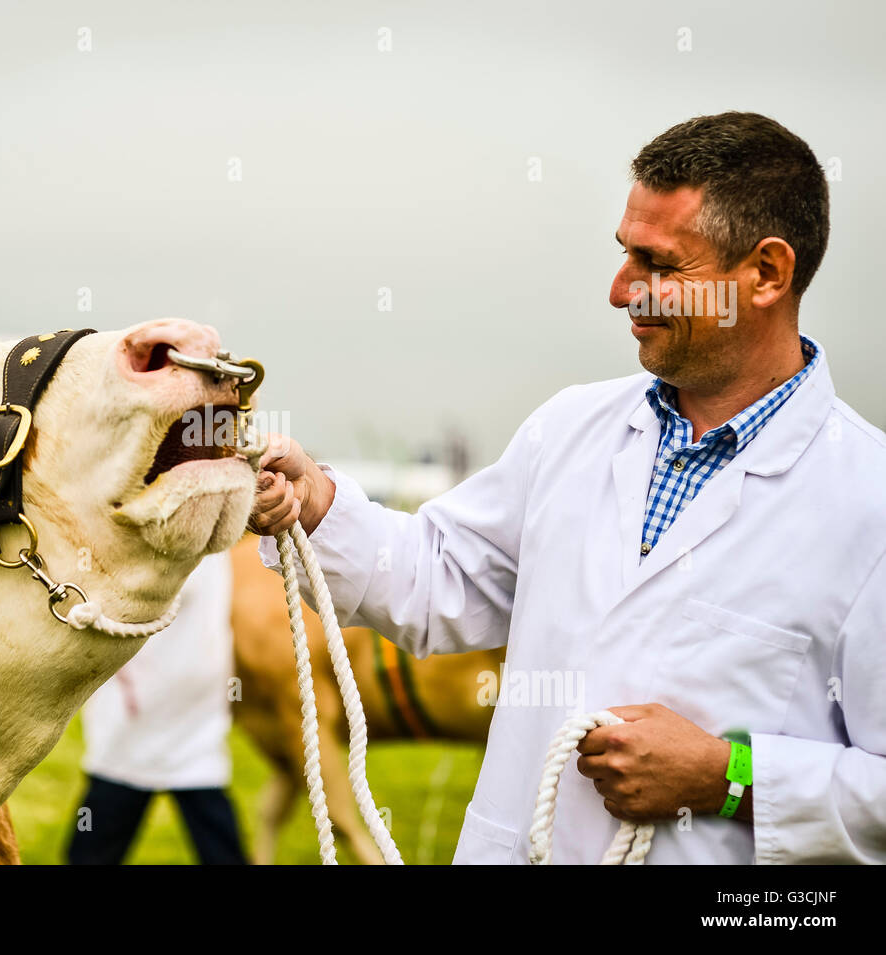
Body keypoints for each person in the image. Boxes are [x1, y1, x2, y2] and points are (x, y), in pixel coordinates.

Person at [249, 112, 886, 864]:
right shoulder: (571, 428)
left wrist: (729, 777)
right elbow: (438, 575)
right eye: (624, 254)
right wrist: (319, 503)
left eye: (657, 264)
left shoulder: (866, 504)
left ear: (767, 273)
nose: (621, 291)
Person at [67, 551, 248, 865]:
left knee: (219, 844)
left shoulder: (200, 552)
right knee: (93, 847)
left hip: (189, 721)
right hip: (136, 720)